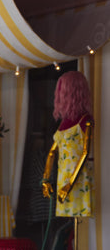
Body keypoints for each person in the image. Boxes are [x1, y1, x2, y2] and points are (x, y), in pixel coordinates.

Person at [42, 70, 94, 218]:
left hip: (77, 177)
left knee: (78, 218)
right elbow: (52, 152)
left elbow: (85, 153)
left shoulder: (85, 120)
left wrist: (69, 185)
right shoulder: (64, 123)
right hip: (63, 176)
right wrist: (45, 179)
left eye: (62, 91)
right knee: (69, 219)